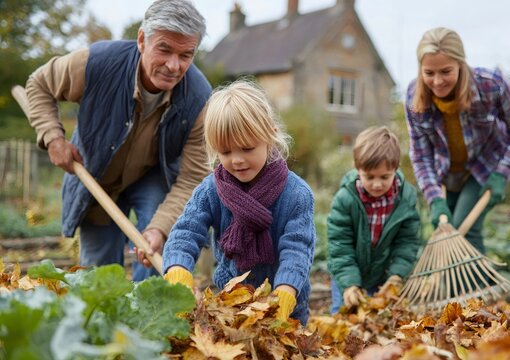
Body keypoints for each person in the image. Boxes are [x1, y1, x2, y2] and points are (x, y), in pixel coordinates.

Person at [25, 0, 212, 281]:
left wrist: (159, 228)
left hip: (154, 176)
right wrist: (53, 138)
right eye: (164, 49)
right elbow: (38, 84)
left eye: (186, 55)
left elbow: (194, 176)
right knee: (98, 277)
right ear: (141, 40)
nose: (174, 66)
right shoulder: (96, 64)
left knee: (155, 256)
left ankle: (146, 318)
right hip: (96, 174)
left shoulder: (198, 98)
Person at [159, 80, 316, 325]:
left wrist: (284, 293)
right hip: (231, 303)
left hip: (285, 306)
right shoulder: (211, 189)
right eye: (225, 151)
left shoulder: (296, 194)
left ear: (270, 135)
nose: (237, 160)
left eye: (247, 148)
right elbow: (186, 231)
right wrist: (178, 269)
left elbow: (297, 249)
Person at [405, 27, 510, 254]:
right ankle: (447, 288)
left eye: (446, 71)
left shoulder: (491, 85)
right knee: (444, 228)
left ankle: (478, 288)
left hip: (484, 166)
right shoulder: (414, 98)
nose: (437, 81)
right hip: (445, 172)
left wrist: (502, 173)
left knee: (467, 225)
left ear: (461, 64)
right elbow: (421, 155)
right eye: (429, 73)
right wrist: (434, 198)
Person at [327, 126, 421, 313]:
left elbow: (407, 243)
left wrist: (396, 276)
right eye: (369, 177)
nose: (377, 184)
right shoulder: (345, 200)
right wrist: (349, 284)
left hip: (383, 276)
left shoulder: (406, 199)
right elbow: (340, 246)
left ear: (395, 168)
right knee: (344, 315)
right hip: (348, 273)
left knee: (380, 320)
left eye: (385, 177)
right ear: (357, 168)